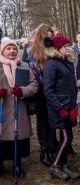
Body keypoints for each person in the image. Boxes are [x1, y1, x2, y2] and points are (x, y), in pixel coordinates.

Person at [0, 38, 38, 177]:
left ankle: (17, 164)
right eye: (8, 48)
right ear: (2, 50)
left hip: (19, 107)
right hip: (2, 108)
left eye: (14, 48)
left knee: (18, 136)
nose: (12, 51)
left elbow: (34, 85)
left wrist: (22, 91)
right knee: (2, 136)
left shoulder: (24, 66)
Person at [43, 34, 78, 180]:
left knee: (67, 137)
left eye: (68, 45)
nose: (68, 48)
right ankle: (56, 165)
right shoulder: (51, 64)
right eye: (65, 46)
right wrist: (60, 108)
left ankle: (64, 164)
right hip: (60, 108)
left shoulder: (67, 62)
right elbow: (48, 90)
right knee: (66, 138)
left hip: (69, 107)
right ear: (57, 49)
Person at [24, 23, 56, 166]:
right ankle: (44, 149)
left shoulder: (51, 48)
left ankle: (50, 147)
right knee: (42, 120)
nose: (49, 39)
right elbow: (31, 69)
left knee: (51, 121)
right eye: (47, 36)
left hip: (52, 89)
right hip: (40, 89)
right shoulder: (32, 50)